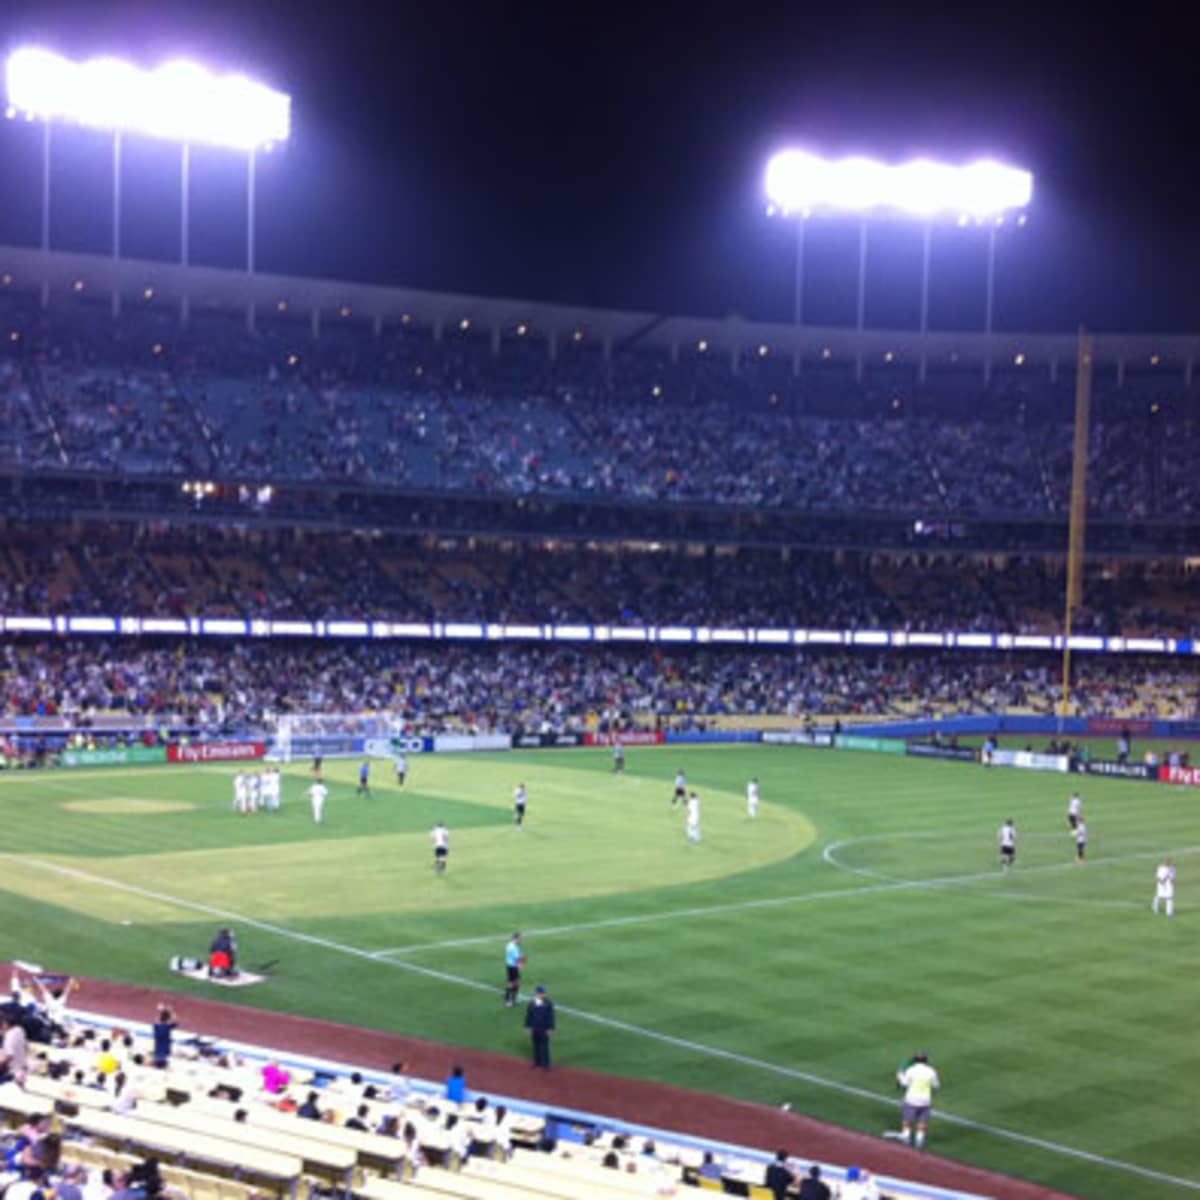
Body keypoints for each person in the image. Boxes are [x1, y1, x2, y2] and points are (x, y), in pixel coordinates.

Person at [885, 1051, 940, 1147]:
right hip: (926, 1100)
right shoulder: (931, 1071)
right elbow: (936, 1085)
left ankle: (906, 1135)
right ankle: (920, 1139)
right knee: (922, 1120)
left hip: (911, 1099)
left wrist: (899, 1075)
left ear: (915, 1060)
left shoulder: (911, 1070)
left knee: (907, 1119)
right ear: (926, 1061)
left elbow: (904, 1084)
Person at [525, 985, 556, 1069]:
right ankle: (537, 1062)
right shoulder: (532, 1004)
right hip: (535, 1028)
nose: (544, 994)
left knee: (545, 1047)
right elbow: (529, 1016)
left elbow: (551, 1017)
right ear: (537, 994)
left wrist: (551, 1028)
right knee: (536, 1046)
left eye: (544, 993)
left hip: (544, 1028)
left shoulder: (548, 1003)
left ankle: (547, 1064)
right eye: (542, 993)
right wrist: (528, 1027)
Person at [0, 1014, 29, 1084]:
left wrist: (1, 1065)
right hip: (22, 1067)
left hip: (12, 1073)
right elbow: (25, 1047)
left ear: (5, 1024)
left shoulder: (9, 1036)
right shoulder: (19, 1030)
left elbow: (9, 1056)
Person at [503, 933, 525, 1007]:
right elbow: (518, 958)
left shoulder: (510, 945)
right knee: (514, 983)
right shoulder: (513, 947)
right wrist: (522, 962)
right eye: (520, 939)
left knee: (514, 982)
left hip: (510, 965)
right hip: (513, 966)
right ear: (515, 939)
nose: (521, 940)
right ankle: (509, 1000)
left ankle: (512, 998)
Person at [151, 1004, 175, 1068]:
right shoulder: (168, 1026)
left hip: (160, 1053)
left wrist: (162, 1011)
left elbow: (157, 1020)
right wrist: (169, 1012)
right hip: (163, 1052)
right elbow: (175, 1021)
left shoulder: (156, 1026)